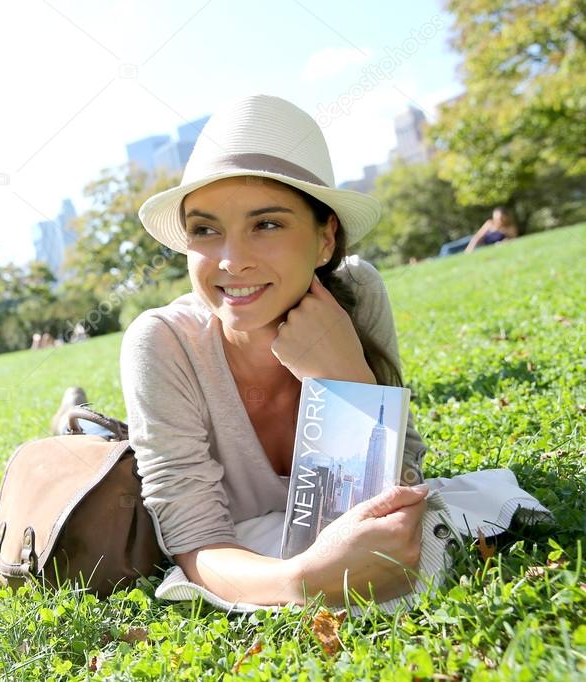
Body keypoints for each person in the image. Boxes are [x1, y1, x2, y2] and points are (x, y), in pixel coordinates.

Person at [57, 95, 548, 612]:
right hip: (146, 438)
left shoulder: (358, 293)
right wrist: (303, 579)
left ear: (324, 238)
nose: (231, 260)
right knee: (101, 446)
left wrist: (346, 374)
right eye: (205, 229)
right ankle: (74, 414)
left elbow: (403, 480)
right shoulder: (160, 340)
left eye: (266, 224)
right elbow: (195, 543)